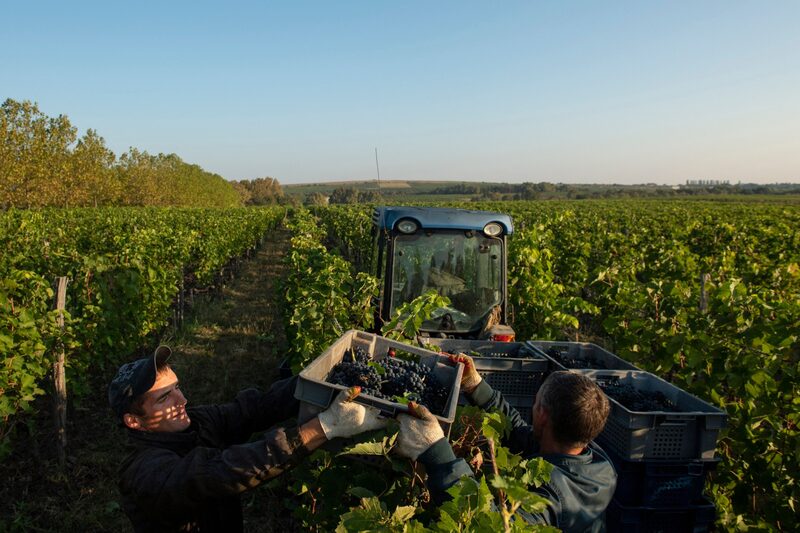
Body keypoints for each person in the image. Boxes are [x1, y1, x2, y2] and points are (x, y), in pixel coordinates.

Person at [108, 345, 386, 532]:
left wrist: (317, 380)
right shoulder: (143, 473)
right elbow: (222, 471)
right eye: (165, 397)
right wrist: (324, 427)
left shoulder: (196, 423)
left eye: (177, 388)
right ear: (134, 421)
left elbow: (254, 408)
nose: (183, 400)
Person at [395, 354, 617, 533]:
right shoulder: (596, 461)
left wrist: (436, 451)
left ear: (543, 417)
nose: (533, 407)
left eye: (536, 402)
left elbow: (490, 523)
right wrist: (476, 387)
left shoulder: (550, 501)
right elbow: (521, 434)